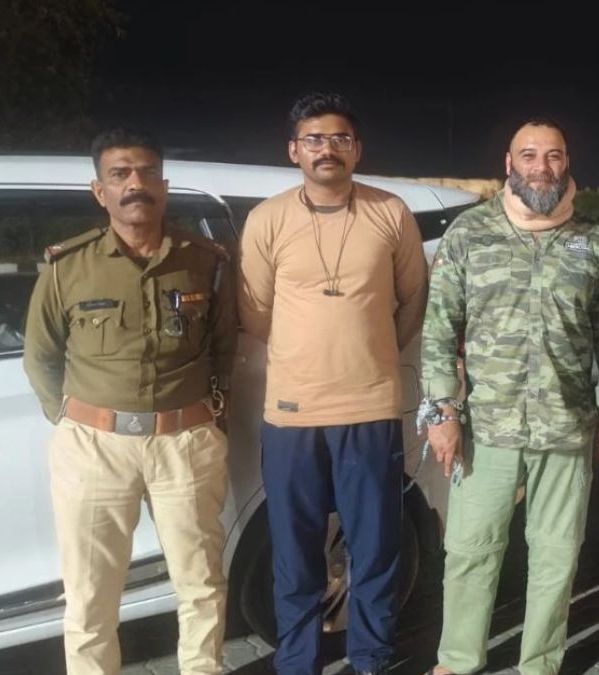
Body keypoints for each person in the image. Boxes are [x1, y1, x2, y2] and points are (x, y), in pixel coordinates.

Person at [23, 127, 236, 675]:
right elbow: (40, 357)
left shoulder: (205, 261)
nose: (135, 184)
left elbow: (224, 349)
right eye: (120, 174)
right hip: (94, 446)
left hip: (185, 444)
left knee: (201, 583)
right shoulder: (68, 267)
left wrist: (210, 419)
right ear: (101, 191)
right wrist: (73, 419)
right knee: (90, 594)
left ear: (163, 186)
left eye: (146, 173)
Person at [237, 92, 428, 675]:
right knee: (294, 553)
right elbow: (255, 313)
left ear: (357, 149)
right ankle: (298, 662)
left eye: (340, 139)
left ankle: (370, 658)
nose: (327, 149)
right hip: (291, 415)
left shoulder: (390, 212)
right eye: (314, 139)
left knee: (375, 548)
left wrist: (371, 350)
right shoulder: (267, 219)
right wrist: (308, 353)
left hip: (369, 409)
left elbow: (412, 298)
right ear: (293, 150)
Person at [421, 119, 599, 675]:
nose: (541, 167)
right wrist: (442, 411)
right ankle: (458, 660)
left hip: (566, 426)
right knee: (470, 550)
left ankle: (540, 664)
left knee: (556, 555)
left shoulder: (593, 238)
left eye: (553, 155)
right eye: (529, 155)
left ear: (566, 162)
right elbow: (439, 327)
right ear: (509, 165)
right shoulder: (471, 232)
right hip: (487, 428)